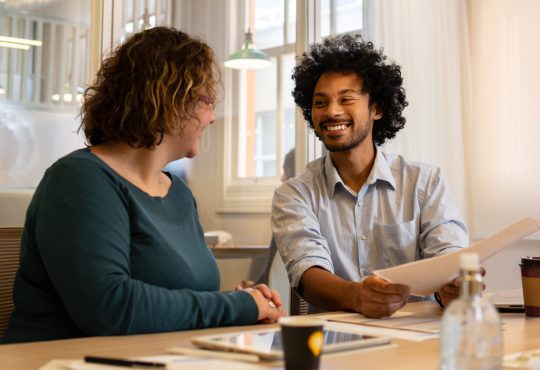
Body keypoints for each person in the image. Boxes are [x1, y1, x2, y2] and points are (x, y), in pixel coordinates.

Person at [2, 27, 284, 344]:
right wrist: (235, 306)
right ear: (170, 99)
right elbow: (111, 307)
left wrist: (243, 303)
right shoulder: (79, 180)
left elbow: (189, 299)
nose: (212, 117)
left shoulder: (179, 193)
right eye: (207, 100)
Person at [271, 34, 469, 319]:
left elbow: (448, 257)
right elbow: (307, 271)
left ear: (376, 108)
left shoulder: (424, 182)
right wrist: (357, 296)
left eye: (346, 99)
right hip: (334, 349)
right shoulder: (294, 194)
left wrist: (453, 285)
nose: (332, 112)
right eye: (320, 102)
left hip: (416, 343)